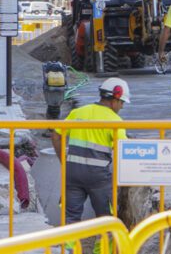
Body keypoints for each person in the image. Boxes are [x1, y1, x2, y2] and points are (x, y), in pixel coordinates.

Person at [51, 77, 130, 235]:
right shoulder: (115, 121)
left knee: (71, 219)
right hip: (98, 178)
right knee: (105, 221)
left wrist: (64, 162)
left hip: (73, 173)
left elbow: (55, 136)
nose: (121, 107)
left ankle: (69, 251)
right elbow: (125, 149)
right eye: (122, 103)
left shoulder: (78, 113)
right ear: (115, 98)